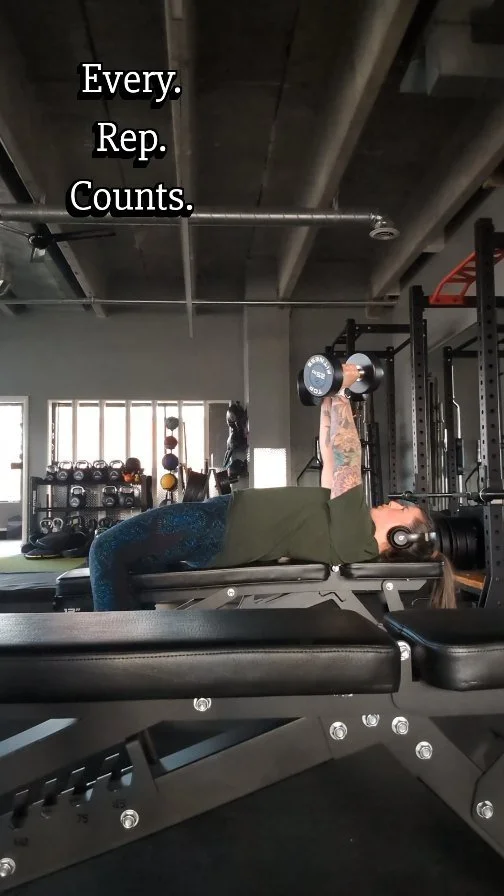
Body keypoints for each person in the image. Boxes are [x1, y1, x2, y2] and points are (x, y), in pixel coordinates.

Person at [89, 364, 456, 611]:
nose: (394, 502)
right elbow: (332, 455)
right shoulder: (348, 526)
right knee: (133, 567)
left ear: (400, 538)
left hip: (218, 527)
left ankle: (116, 657)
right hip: (219, 524)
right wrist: (330, 397)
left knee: (105, 550)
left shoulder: (358, 537)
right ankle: (139, 637)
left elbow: (347, 456)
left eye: (403, 509)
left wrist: (342, 389)